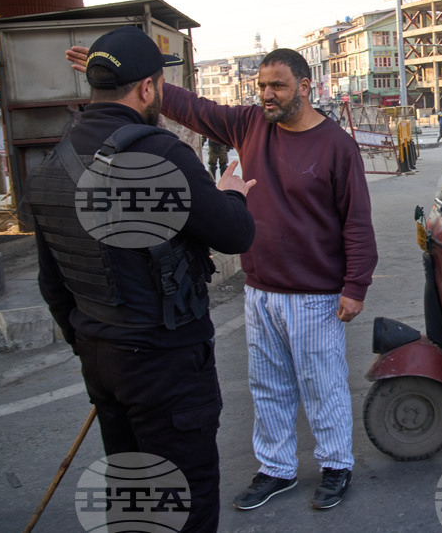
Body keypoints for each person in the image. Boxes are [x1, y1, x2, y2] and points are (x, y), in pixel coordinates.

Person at [69, 44, 379, 511]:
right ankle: (276, 469)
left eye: (278, 86)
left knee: (323, 385)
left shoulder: (337, 145)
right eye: (261, 87)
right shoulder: (250, 124)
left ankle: (336, 466)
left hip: (317, 294)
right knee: (268, 386)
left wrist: (356, 286)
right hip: (260, 291)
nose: (267, 96)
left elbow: (356, 221)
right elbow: (194, 108)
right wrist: (130, 79)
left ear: (306, 87)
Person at [31, 25, 256, 532]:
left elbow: (52, 283)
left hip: (103, 357)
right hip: (166, 363)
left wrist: (91, 342)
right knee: (187, 502)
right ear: (148, 88)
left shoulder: (55, 161)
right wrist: (233, 191)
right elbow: (235, 234)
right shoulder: (160, 153)